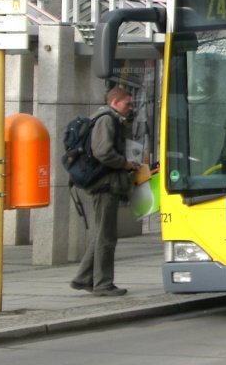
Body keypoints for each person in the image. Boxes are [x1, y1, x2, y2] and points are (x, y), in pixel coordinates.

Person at [70, 86, 140, 297]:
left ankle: (83, 278)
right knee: (106, 236)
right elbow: (103, 152)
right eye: (127, 103)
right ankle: (103, 284)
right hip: (105, 184)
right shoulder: (107, 120)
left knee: (102, 233)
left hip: (106, 183)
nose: (130, 107)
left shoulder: (109, 118)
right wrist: (125, 163)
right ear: (115, 102)